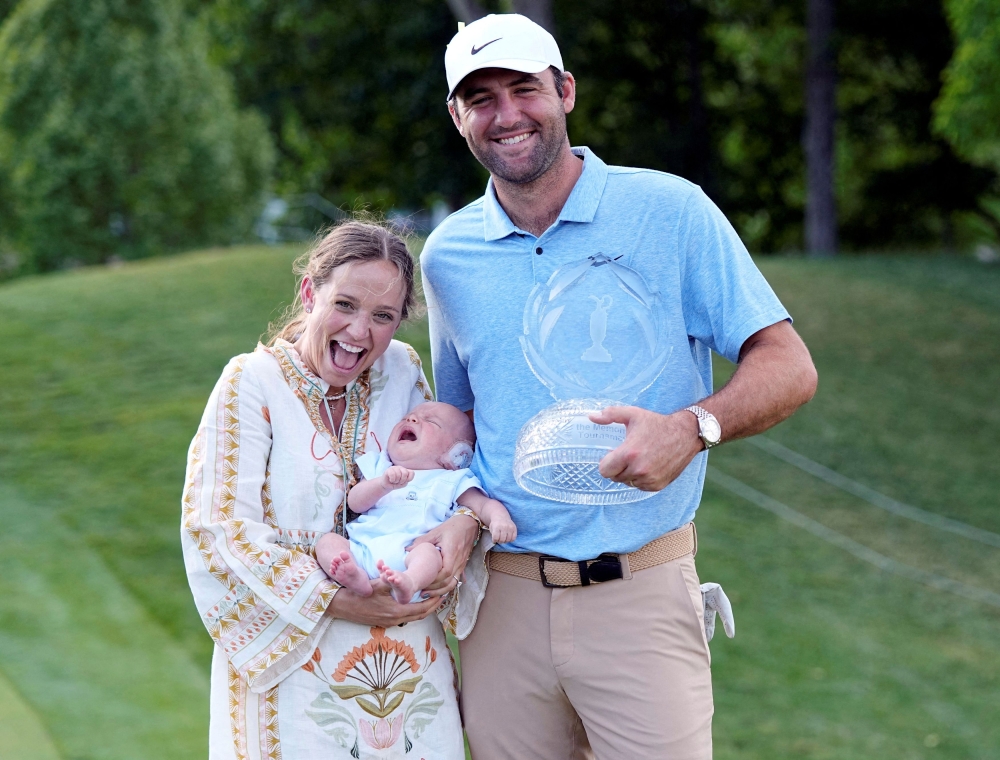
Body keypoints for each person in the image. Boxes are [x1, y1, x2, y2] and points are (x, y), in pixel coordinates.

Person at [421, 13, 819, 760]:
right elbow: (463, 419)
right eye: (480, 99)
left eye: (523, 89)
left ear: (566, 91)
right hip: (497, 603)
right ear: (457, 117)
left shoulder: (671, 212)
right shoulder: (448, 256)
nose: (505, 115)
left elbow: (788, 364)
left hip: (640, 591)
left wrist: (690, 429)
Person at [181, 220, 482, 760]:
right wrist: (337, 599)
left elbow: (445, 477)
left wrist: (464, 524)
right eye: (345, 304)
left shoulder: (402, 370)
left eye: (383, 316)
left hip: (410, 666)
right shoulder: (252, 382)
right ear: (308, 292)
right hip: (296, 669)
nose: (360, 331)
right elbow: (218, 532)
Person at [315, 401, 516, 604]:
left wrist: (499, 519)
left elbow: (482, 505)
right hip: (361, 550)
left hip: (410, 555)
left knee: (429, 554)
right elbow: (355, 503)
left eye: (431, 421)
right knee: (327, 543)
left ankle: (409, 583)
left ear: (457, 454)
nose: (411, 418)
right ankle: (356, 578)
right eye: (408, 416)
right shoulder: (381, 465)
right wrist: (382, 485)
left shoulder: (452, 480)